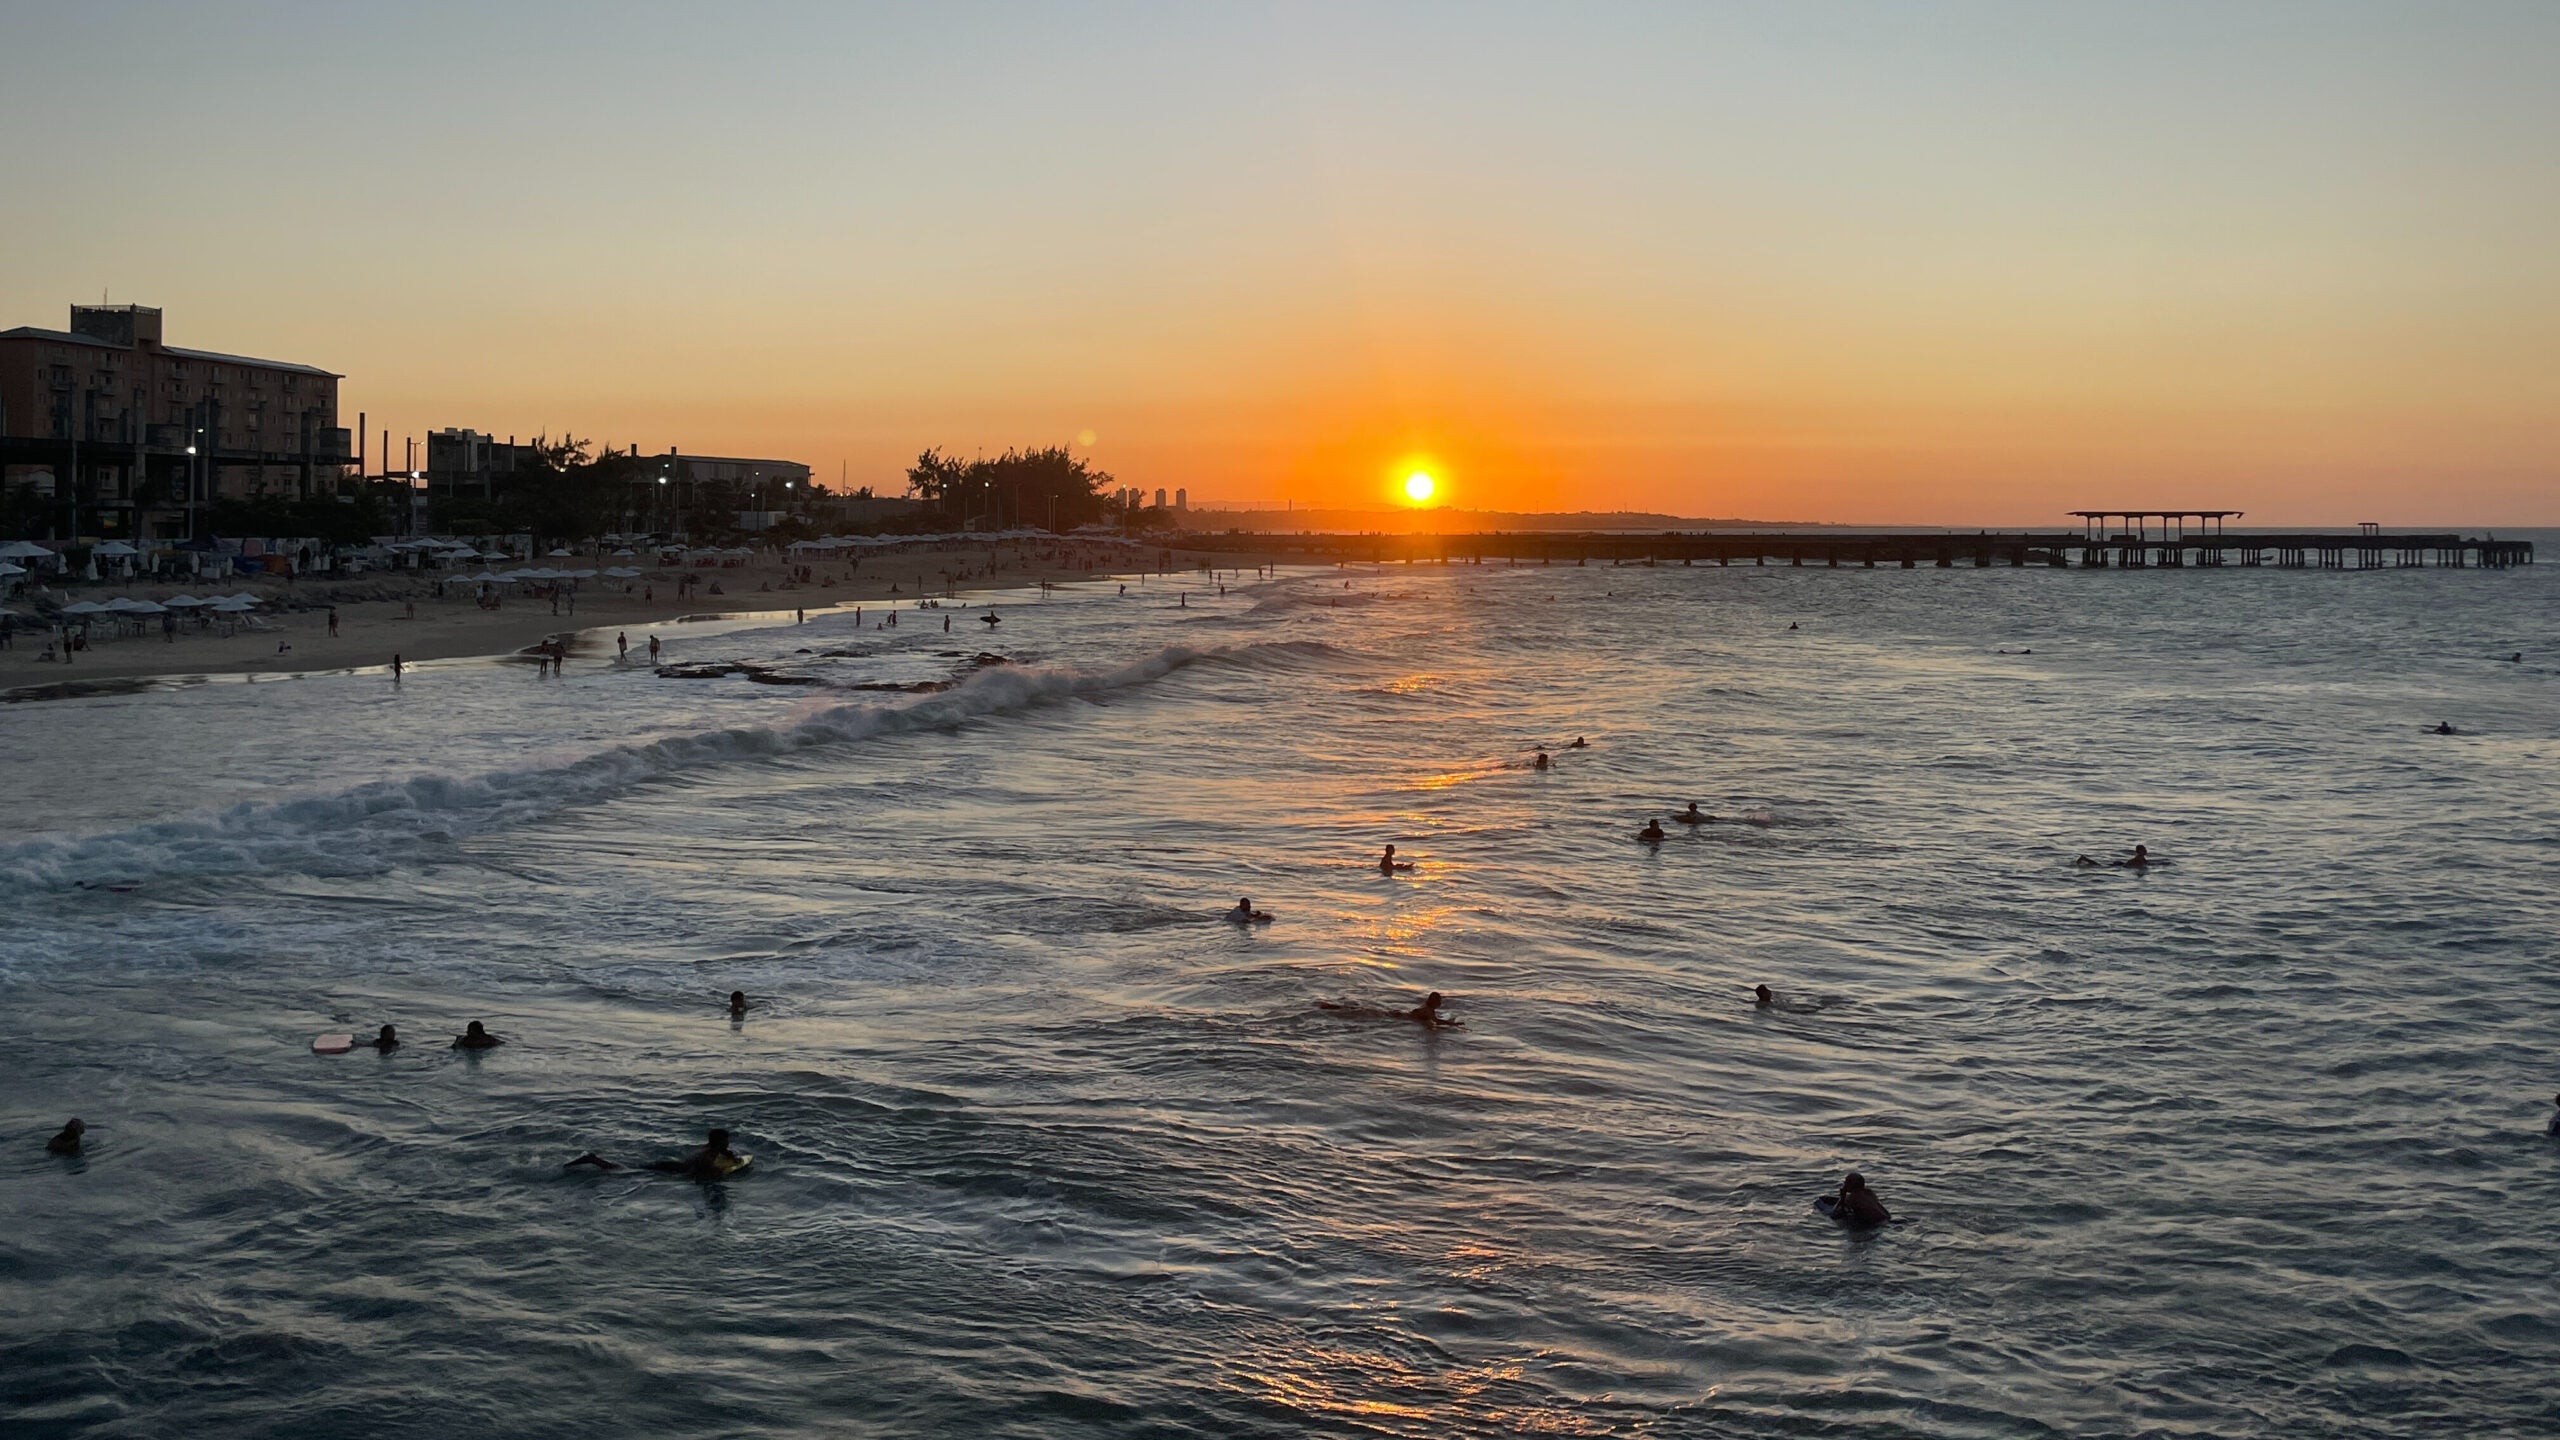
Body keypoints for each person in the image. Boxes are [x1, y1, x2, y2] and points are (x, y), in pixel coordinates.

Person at [565, 1127, 744, 1179]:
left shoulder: (710, 1148)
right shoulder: (707, 1156)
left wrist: (732, 1158)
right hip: (670, 1169)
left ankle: (594, 1159)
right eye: (726, 1140)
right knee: (620, 1171)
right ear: (719, 1141)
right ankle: (594, 1160)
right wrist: (721, 1172)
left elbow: (726, 1153)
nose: (728, 1143)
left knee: (628, 1167)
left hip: (670, 1163)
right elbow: (696, 1174)